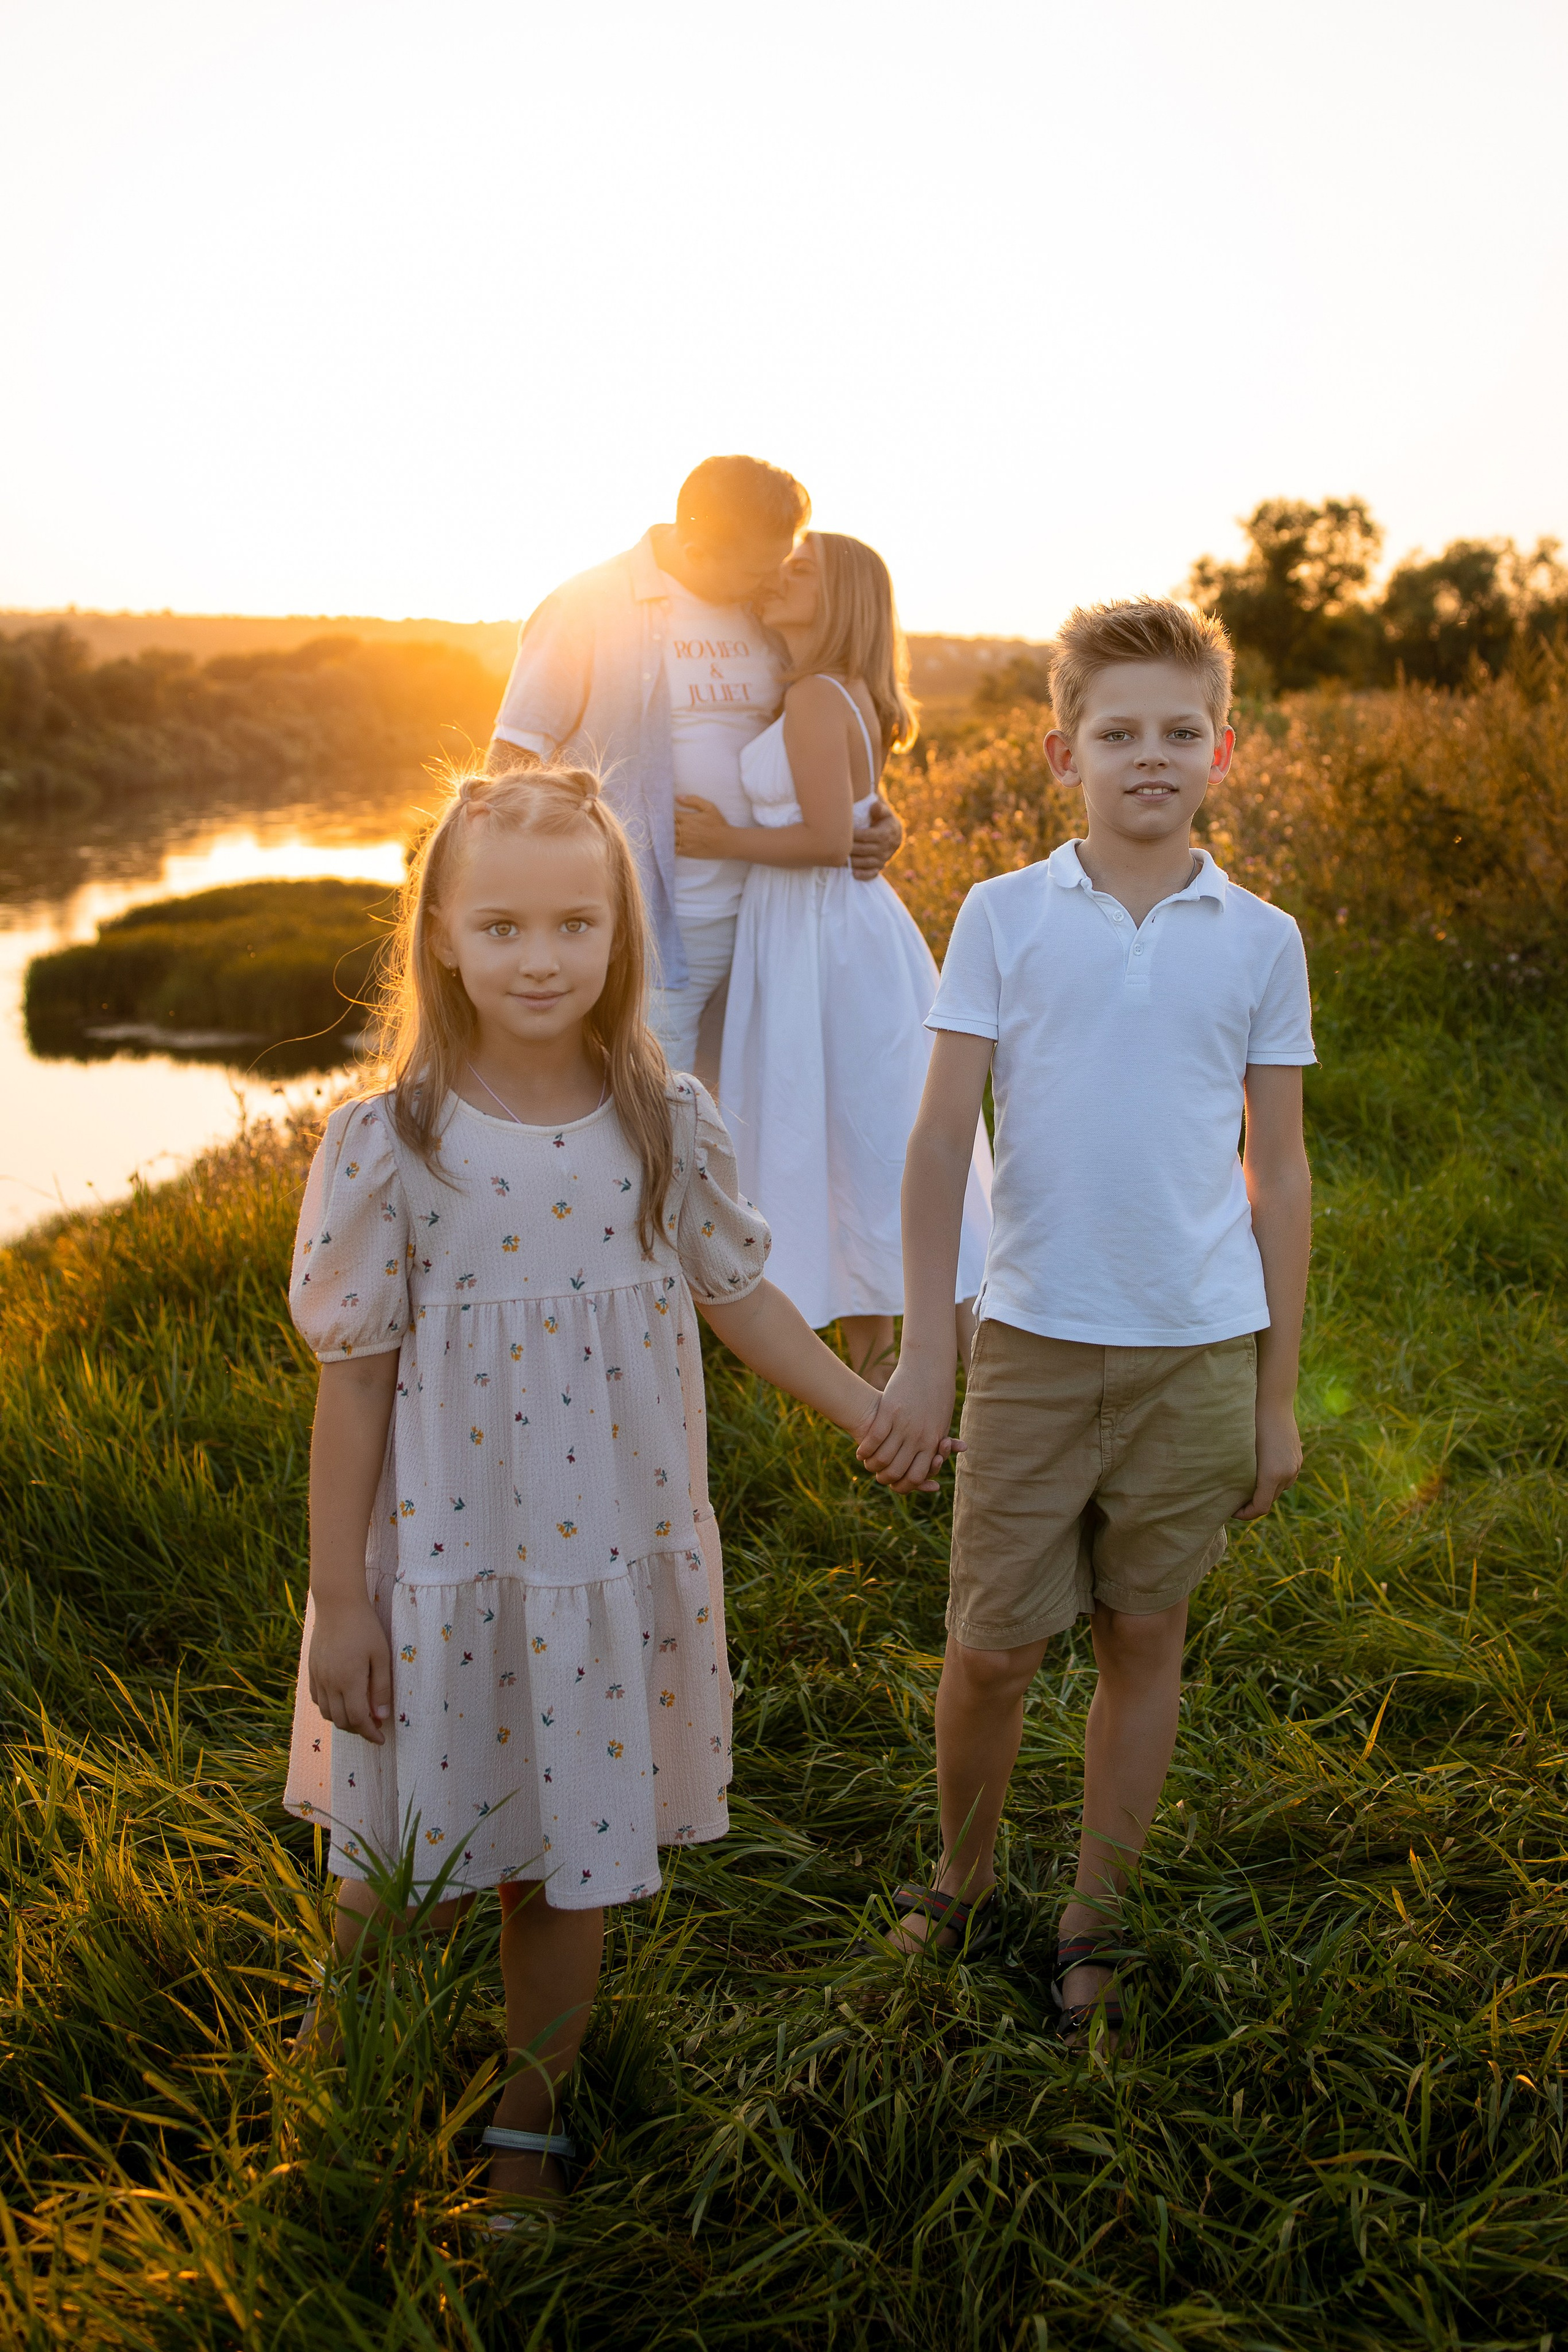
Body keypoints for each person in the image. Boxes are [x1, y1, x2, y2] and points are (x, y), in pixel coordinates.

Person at [282, 766, 929, 2212]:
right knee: (400, 1859)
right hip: (439, 1558)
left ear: (618, 934)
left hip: (602, 1551)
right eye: (501, 925)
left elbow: (741, 1296)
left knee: (560, 1858)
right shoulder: (391, 1143)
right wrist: (341, 1596)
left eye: (574, 922)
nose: (540, 956)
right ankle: (340, 2046)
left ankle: (531, 2119)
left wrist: (863, 1406)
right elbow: (357, 1379)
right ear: (440, 934)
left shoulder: (660, 1116)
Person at [858, 598, 1314, 2045]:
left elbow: (1280, 1168)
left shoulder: (1257, 938)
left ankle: (1092, 1911)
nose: (1148, 756)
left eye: (1178, 731)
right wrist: (933, 1342)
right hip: (1034, 1342)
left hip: (1192, 1348)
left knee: (1143, 1629)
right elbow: (937, 1141)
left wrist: (1274, 1392)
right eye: (1116, 732)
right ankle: (964, 1873)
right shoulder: (1000, 914)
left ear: (1221, 751)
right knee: (990, 1645)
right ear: (1060, 750)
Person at [673, 532, 991, 1387]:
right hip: (823, 934)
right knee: (853, 1147)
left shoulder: (817, 695)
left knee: (867, 1141)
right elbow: (853, 819)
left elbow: (824, 838)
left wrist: (716, 837)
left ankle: (945, 1376)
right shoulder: (826, 691)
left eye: (803, 570)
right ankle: (884, 1380)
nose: (780, 574)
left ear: (843, 597)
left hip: (828, 942)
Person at [486, 456, 905, 1081]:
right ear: (695, 545)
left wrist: (872, 814)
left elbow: (816, 736)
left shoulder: (764, 615)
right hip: (655, 921)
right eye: (758, 569)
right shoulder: (589, 605)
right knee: (655, 1103)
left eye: (783, 563)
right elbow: (513, 759)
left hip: (773, 921)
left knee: (738, 1120)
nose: (772, 581)